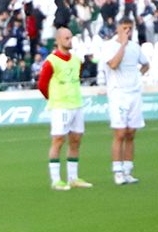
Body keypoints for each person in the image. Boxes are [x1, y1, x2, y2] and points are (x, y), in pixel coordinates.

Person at [39, 26, 92, 190]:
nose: (70, 41)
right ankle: (56, 180)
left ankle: (73, 178)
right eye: (67, 38)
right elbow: (42, 84)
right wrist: (53, 98)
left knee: (76, 141)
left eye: (71, 38)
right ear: (58, 40)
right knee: (58, 141)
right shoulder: (51, 61)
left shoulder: (76, 60)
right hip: (60, 107)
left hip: (76, 105)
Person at [102, 19, 150, 185]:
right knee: (120, 133)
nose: (128, 31)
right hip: (118, 94)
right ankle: (117, 170)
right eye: (124, 28)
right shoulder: (110, 46)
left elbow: (146, 64)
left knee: (131, 133)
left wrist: (138, 75)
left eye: (130, 28)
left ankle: (128, 170)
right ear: (118, 29)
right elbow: (114, 64)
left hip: (134, 94)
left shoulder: (135, 47)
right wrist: (122, 45)